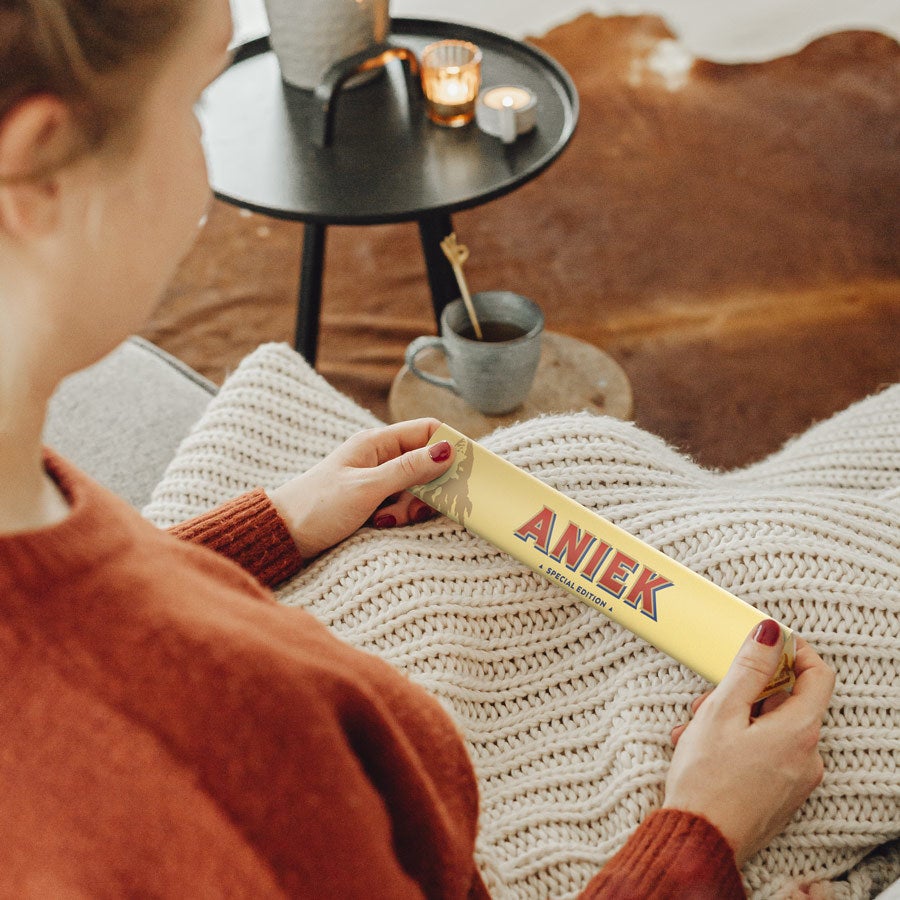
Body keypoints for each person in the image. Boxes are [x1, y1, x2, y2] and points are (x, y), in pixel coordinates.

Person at [0, 0, 835, 896]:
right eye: (195, 99)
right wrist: (703, 828)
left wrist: (266, 525)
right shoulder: (233, 734)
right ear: (36, 165)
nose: (203, 169)